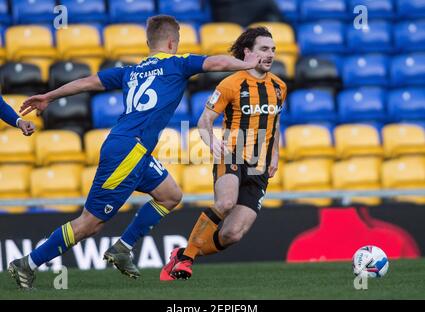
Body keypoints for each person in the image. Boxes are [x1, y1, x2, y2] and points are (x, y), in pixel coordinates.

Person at [9, 14, 260, 289]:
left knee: (170, 195)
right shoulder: (178, 64)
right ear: (172, 41)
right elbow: (217, 62)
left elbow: (86, 82)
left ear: (148, 42)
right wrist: (246, 64)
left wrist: (48, 96)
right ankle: (27, 263)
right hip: (128, 151)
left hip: (132, 148)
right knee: (90, 223)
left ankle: (122, 247)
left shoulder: (131, 71)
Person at [160, 27, 287, 281]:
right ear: (248, 52)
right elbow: (204, 121)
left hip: (259, 165)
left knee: (232, 234)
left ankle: (184, 254)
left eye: (273, 49)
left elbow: (274, 123)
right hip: (231, 154)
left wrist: (275, 155)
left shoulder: (279, 87)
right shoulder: (231, 83)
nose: (270, 54)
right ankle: (185, 261)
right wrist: (211, 142)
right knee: (226, 203)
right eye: (264, 49)